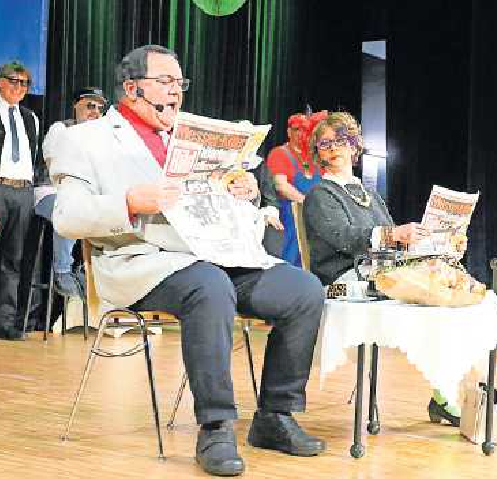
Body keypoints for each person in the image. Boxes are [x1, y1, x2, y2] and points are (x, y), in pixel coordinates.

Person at [50, 45, 326, 476]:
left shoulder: (191, 135)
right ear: (131, 88)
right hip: (141, 261)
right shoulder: (84, 138)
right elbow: (66, 216)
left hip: (216, 256)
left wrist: (245, 195)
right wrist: (128, 202)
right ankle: (216, 425)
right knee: (209, 286)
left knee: (304, 291)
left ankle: (275, 416)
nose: (176, 92)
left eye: (180, 83)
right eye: (165, 82)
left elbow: (218, 208)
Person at [303, 111, 463, 427]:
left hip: (375, 273)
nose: (333, 148)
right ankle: (444, 396)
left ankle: (444, 392)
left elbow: (393, 241)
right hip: (336, 283)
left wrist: (439, 243)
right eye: (324, 144)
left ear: (353, 145)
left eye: (340, 141)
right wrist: (393, 235)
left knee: (438, 292)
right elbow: (346, 238)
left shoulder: (369, 193)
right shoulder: (319, 194)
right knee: (422, 301)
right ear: (317, 153)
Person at [37, 87, 107, 296]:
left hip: (83, 197)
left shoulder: (102, 140)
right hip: (48, 193)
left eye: (100, 108)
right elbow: (55, 169)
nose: (95, 111)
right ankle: (62, 270)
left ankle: (89, 267)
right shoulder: (61, 129)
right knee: (70, 206)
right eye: (90, 106)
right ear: (76, 105)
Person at [0, 62, 42, 340]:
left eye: (24, 83)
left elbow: (34, 156)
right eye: (13, 81)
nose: (19, 87)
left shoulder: (31, 118)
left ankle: (6, 322)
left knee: (14, 260)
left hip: (23, 192)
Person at [266, 113, 321, 266]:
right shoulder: (279, 153)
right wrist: (308, 203)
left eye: (305, 130)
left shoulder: (314, 158)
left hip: (315, 220)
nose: (301, 133)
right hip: (290, 219)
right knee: (290, 261)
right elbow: (281, 186)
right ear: (289, 131)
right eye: (297, 129)